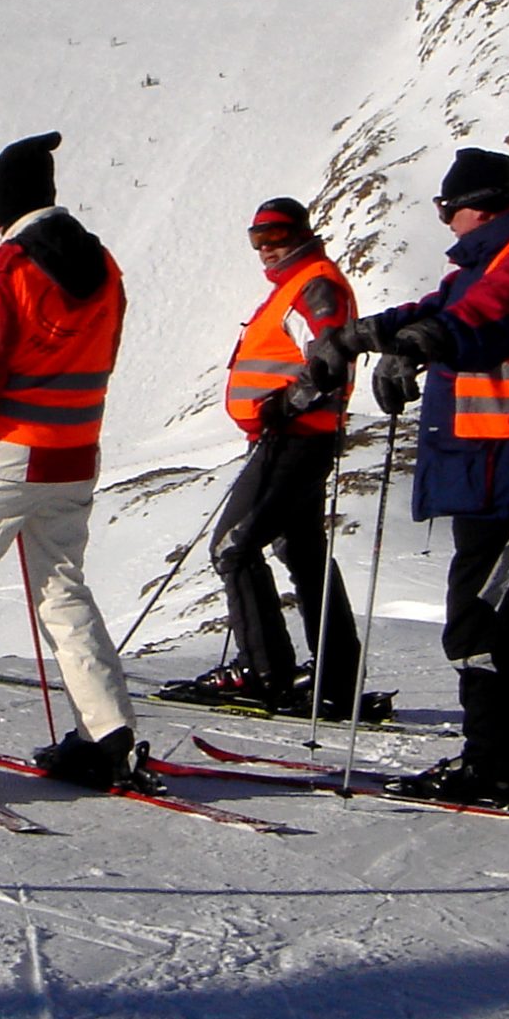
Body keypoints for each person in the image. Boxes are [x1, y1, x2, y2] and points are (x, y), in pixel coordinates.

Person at [306, 147, 509, 812]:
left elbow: (481, 319)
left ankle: (503, 767)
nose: (444, 221)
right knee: (503, 617)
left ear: (475, 206)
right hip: (488, 470)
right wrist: (358, 339)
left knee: (480, 623)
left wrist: (417, 347)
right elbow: (433, 309)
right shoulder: (483, 265)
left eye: (446, 208)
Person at [0, 131, 161, 794]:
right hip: (75, 452)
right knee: (62, 586)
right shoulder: (104, 264)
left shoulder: (10, 265)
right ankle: (109, 738)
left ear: (2, 207)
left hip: (9, 452)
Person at [161, 198, 367, 719]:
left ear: (302, 234)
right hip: (294, 435)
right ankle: (336, 679)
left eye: (277, 236)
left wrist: (286, 404)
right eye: (258, 239)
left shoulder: (314, 285)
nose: (267, 248)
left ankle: (265, 672)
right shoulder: (296, 285)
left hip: (294, 437)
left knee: (233, 547)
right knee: (302, 551)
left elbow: (331, 356)